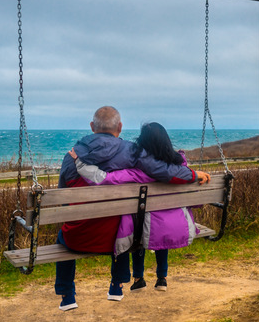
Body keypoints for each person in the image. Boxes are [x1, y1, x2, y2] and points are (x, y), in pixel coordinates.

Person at [54, 106, 209, 310]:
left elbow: (64, 201)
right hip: (119, 239)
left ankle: (67, 295)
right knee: (122, 218)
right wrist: (192, 174)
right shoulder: (132, 152)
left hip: (78, 238)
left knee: (62, 236)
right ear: (120, 127)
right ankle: (117, 284)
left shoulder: (71, 156)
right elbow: (163, 171)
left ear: (92, 127)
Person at [70, 122, 196, 297]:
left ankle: (138, 278)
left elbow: (104, 178)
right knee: (159, 225)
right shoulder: (180, 168)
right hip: (175, 224)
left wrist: (80, 163)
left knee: (141, 227)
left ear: (142, 144)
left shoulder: (137, 172)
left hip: (145, 225)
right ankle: (162, 277)